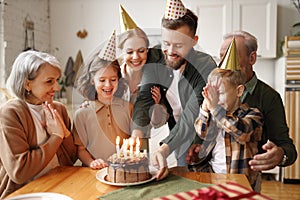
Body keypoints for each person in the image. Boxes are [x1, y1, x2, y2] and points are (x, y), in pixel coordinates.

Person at [187, 31, 297, 183]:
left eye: (231, 56)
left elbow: (287, 148)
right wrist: (195, 148)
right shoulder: (214, 93)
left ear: (252, 58)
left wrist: (281, 154)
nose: (224, 65)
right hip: (213, 176)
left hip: (244, 179)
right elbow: (201, 135)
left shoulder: (267, 99)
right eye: (221, 57)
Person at [131, 0, 217, 180]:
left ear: (194, 41)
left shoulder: (205, 65)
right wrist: (137, 134)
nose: (170, 51)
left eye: (179, 45)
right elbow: (144, 98)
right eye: (166, 43)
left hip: (204, 140)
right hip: (176, 136)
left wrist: (164, 148)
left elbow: (192, 114)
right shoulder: (154, 58)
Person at [0, 50, 77, 198]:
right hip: (24, 192)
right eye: (49, 81)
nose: (57, 88)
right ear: (27, 84)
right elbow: (19, 172)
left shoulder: (58, 109)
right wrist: (56, 136)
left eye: (56, 80)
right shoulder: (10, 113)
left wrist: (65, 134)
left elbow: (71, 159)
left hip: (59, 184)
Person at [193, 38, 264, 191]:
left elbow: (240, 132)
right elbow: (202, 133)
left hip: (242, 183)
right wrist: (205, 108)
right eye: (213, 94)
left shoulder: (253, 115)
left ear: (239, 91)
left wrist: (214, 109)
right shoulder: (214, 112)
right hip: (214, 177)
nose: (216, 100)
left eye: (220, 94)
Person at [73, 30, 133, 169]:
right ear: (92, 80)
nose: (108, 85)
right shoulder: (82, 114)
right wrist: (92, 162)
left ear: (119, 79)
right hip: (93, 173)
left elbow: (135, 139)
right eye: (102, 80)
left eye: (113, 79)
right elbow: (80, 150)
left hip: (123, 170)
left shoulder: (128, 108)